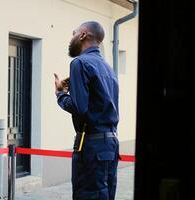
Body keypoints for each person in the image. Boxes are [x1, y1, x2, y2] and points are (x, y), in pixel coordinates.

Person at [54, 21, 119, 200]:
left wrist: (60, 94)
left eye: (74, 33)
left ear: (83, 35)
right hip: (111, 145)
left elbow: (79, 108)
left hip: (91, 146)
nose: (71, 38)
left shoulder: (79, 63)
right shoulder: (108, 68)